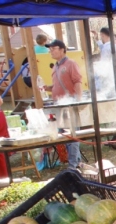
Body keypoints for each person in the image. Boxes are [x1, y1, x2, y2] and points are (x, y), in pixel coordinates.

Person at [44, 39, 82, 170]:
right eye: (50, 49)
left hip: (70, 103)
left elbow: (77, 82)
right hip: (58, 104)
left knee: (72, 134)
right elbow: (56, 85)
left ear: (62, 50)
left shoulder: (71, 64)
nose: (51, 52)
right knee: (64, 135)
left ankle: (73, 165)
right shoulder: (55, 66)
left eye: (53, 49)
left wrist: (78, 100)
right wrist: (47, 88)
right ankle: (77, 162)